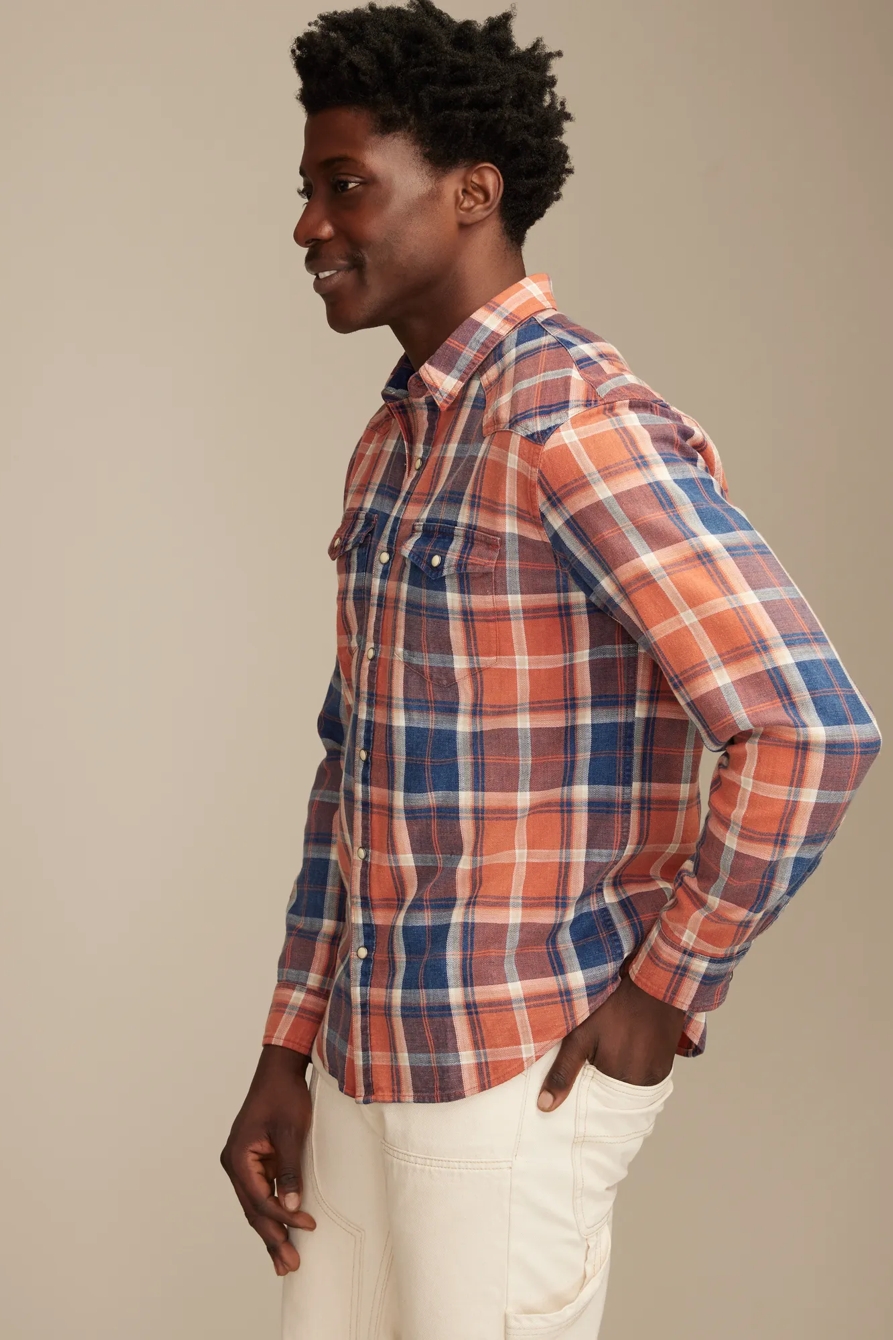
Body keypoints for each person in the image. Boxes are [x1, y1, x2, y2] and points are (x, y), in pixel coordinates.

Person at [220, 3, 882, 1336]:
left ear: (472, 193)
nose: (307, 226)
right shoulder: (397, 442)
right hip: (361, 1070)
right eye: (306, 188)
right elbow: (355, 768)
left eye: (344, 185)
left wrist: (666, 990)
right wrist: (289, 1046)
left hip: (511, 1082)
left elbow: (808, 727)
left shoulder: (570, 422)